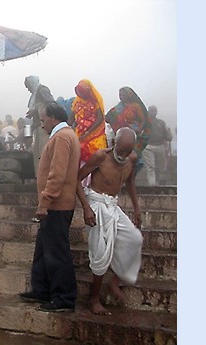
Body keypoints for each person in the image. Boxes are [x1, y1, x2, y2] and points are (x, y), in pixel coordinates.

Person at [18, 102, 79, 313]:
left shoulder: (62, 137)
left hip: (57, 205)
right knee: (43, 250)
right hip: (55, 204)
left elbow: (57, 174)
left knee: (56, 252)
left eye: (43, 120)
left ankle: (63, 297)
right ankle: (42, 290)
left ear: (53, 117)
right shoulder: (63, 135)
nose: (41, 125)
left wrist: (45, 201)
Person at [76, 127, 143, 315]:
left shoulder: (132, 160)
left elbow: (130, 183)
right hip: (96, 202)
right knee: (100, 252)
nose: (122, 155)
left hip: (113, 205)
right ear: (113, 143)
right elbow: (77, 178)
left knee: (134, 238)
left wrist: (137, 209)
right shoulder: (100, 156)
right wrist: (86, 208)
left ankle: (116, 280)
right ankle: (94, 299)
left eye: (127, 152)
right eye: (120, 150)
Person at [105, 86, 152, 173]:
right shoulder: (118, 107)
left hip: (133, 135)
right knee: (119, 156)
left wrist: (139, 129)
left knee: (132, 156)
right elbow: (108, 117)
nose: (121, 96)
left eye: (123, 95)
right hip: (121, 135)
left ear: (128, 95)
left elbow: (143, 120)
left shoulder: (136, 106)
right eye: (119, 95)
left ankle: (131, 175)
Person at [71, 79, 108, 186]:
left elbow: (100, 118)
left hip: (95, 136)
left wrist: (88, 132)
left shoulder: (95, 101)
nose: (81, 94)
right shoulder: (76, 102)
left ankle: (94, 185)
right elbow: (72, 119)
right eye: (79, 91)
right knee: (80, 160)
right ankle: (82, 185)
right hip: (80, 135)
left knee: (94, 160)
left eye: (83, 91)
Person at [24, 75, 56, 177]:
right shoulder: (34, 94)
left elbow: (51, 104)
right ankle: (41, 179)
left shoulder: (42, 90)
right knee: (38, 155)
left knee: (44, 154)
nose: (28, 90)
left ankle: (47, 179)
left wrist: (36, 111)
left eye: (28, 86)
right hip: (38, 127)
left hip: (45, 127)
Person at [141, 105, 173, 186]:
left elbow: (168, 136)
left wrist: (169, 134)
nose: (153, 112)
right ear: (148, 111)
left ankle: (157, 183)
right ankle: (152, 185)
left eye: (155, 111)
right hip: (148, 147)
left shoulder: (161, 123)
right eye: (151, 110)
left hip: (160, 146)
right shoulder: (144, 122)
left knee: (160, 168)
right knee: (150, 166)